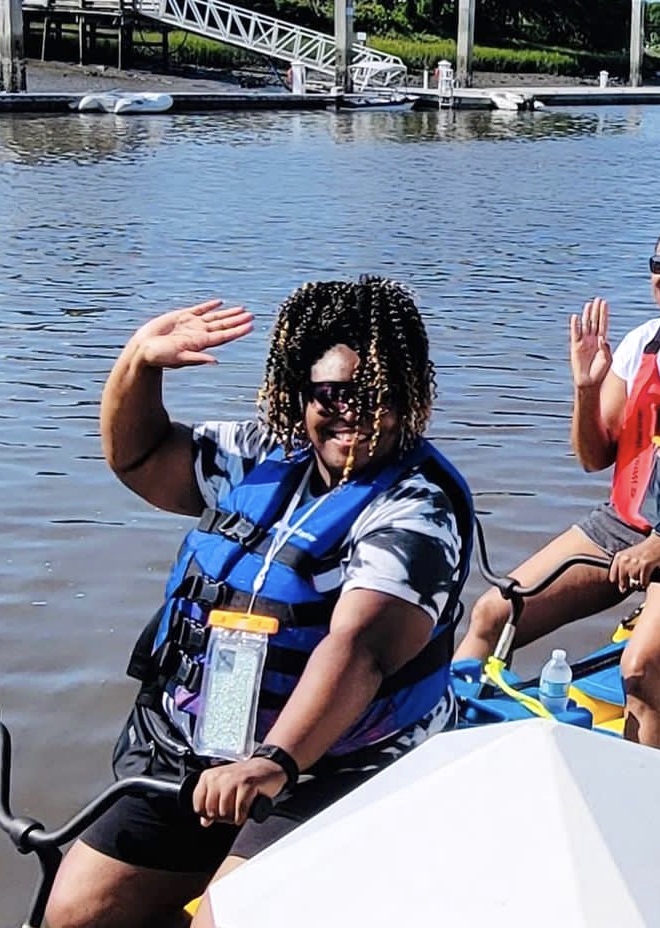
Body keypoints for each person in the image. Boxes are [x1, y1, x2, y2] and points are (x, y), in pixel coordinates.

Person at [46, 277, 472, 928]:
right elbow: (140, 456)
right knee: (74, 913)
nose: (347, 410)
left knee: (229, 919)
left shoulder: (418, 509)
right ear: (298, 395)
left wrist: (273, 762)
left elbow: (360, 650)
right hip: (192, 756)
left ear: (406, 397)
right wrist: (137, 362)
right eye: (327, 393)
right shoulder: (261, 457)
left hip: (334, 770)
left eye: (370, 394)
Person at [456, 211, 660, 752]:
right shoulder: (639, 344)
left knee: (644, 670)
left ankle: (648, 813)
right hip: (625, 526)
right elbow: (594, 457)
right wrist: (584, 386)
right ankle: (453, 747)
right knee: (492, 613)